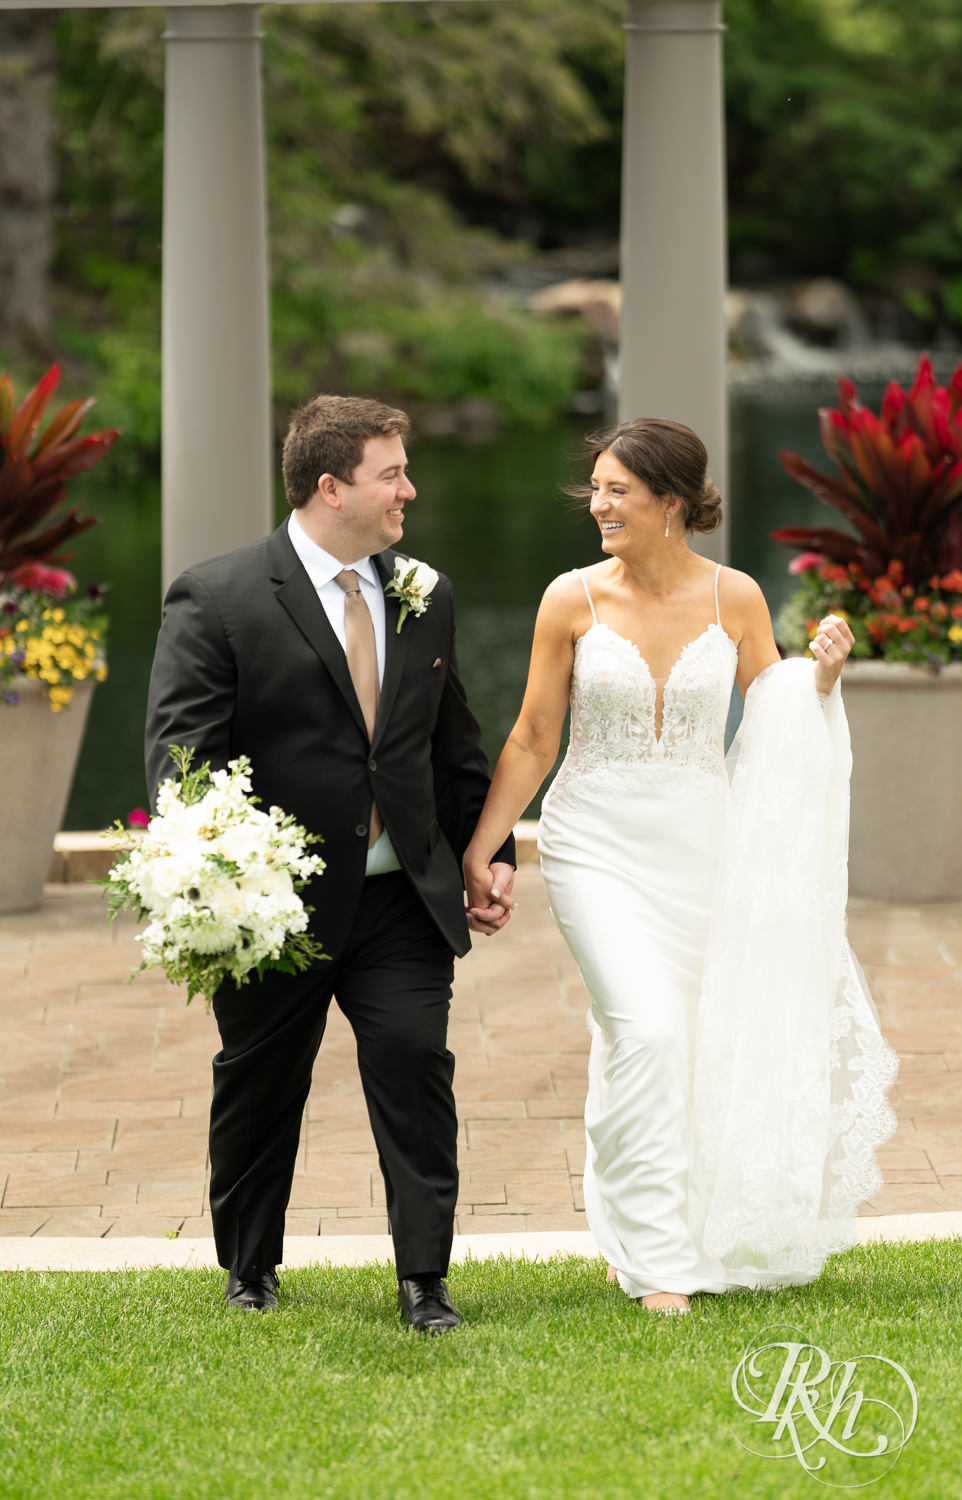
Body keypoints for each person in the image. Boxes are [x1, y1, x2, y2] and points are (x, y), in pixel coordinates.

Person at [464, 417, 897, 1316]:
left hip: (704, 844)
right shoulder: (569, 600)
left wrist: (819, 682)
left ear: (672, 502)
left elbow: (774, 715)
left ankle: (638, 1233)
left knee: (677, 1041)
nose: (599, 503)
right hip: (595, 842)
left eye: (618, 489)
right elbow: (535, 735)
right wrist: (482, 847)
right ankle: (660, 1260)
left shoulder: (734, 598)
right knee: (649, 1027)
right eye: (597, 487)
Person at [146, 394, 515, 1329]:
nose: (409, 489)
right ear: (329, 486)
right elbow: (179, 759)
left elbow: (452, 744)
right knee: (262, 1083)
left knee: (414, 1064)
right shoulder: (218, 596)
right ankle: (250, 1270)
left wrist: (489, 851)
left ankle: (424, 1281)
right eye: (392, 472)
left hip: (402, 901)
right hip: (277, 909)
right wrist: (219, 877)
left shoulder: (424, 592)